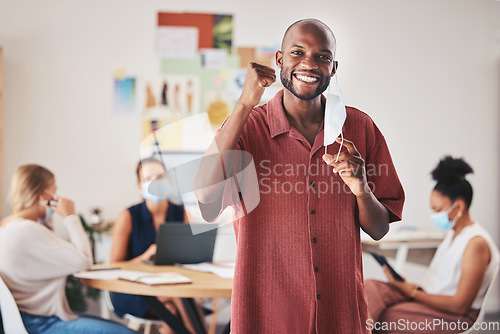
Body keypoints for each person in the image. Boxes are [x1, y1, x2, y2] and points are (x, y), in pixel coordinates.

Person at [194, 18, 405, 333]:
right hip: (266, 315)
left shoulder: (360, 129)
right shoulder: (248, 126)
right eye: (298, 52)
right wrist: (244, 104)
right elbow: (206, 194)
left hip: (340, 313)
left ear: (333, 68)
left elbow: (378, 230)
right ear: (279, 60)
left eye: (322, 56)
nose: (309, 63)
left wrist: (362, 190)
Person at [365, 156, 500, 334]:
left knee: (388, 316)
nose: (434, 215)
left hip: (455, 316)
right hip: (430, 301)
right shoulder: (453, 235)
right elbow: (440, 284)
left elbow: (460, 305)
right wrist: (408, 287)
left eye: (437, 209)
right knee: (368, 288)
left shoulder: (476, 243)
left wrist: (412, 293)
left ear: (458, 207)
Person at [0, 164, 135, 334]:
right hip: (42, 324)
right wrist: (70, 216)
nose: (58, 197)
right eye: (54, 191)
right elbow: (84, 261)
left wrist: (46, 218)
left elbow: (53, 254)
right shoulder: (27, 231)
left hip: (28, 320)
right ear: (43, 196)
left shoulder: (9, 226)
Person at [109, 157, 197, 333]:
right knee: (179, 297)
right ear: (139, 185)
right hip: (133, 288)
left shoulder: (182, 213)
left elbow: (192, 257)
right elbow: (114, 266)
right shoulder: (128, 216)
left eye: (160, 177)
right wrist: (145, 257)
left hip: (171, 282)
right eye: (148, 178)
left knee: (171, 308)